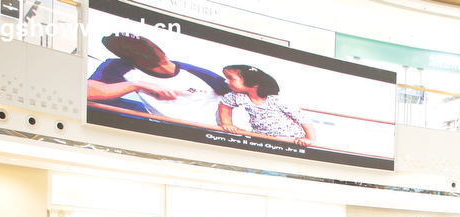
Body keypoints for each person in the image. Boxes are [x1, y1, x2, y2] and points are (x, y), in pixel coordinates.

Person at [88, 33, 232, 126]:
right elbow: (88, 92)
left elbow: (241, 98)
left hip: (209, 132)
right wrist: (138, 85)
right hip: (163, 130)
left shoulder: (200, 74)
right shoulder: (120, 66)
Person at [218, 65, 316, 146]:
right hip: (262, 138)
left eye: (230, 78)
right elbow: (225, 105)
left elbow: (303, 119)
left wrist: (309, 139)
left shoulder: (276, 100)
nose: (226, 81)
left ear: (253, 83)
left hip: (290, 139)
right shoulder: (238, 96)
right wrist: (227, 123)